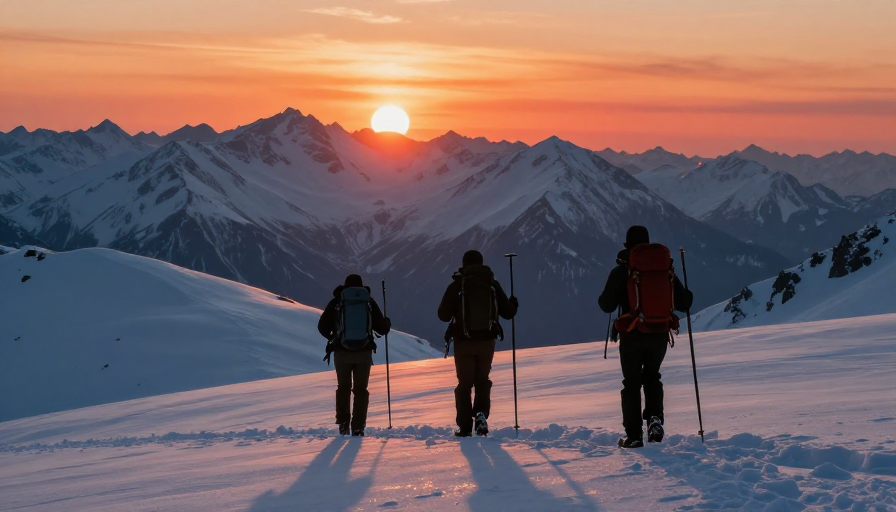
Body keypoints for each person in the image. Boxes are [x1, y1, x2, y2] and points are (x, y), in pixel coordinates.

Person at [598, 226, 693, 448]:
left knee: (631, 383)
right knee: (652, 377)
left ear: (628, 246)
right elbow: (683, 303)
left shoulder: (622, 271)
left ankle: (634, 435)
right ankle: (655, 420)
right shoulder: (663, 268)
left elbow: (606, 305)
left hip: (632, 334)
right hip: (659, 333)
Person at [438, 250, 518, 437]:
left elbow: (443, 315)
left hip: (463, 342)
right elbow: (507, 313)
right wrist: (513, 304)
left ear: (464, 264)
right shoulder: (492, 283)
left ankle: (465, 427)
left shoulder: (457, 285)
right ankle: (481, 414)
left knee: (464, 383)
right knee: (482, 379)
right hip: (486, 342)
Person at [318, 274, 391, 436]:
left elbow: (322, 326)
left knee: (343, 388)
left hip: (342, 353)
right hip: (363, 353)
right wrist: (387, 322)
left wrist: (334, 338)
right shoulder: (369, 302)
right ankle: (358, 426)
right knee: (361, 390)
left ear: (345, 286)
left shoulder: (337, 302)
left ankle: (343, 424)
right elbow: (382, 329)